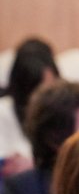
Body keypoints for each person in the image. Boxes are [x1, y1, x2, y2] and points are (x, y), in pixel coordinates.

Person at [0, 39, 60, 178]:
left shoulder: (64, 109)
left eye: (50, 87)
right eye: (38, 89)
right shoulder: (3, 110)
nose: (46, 96)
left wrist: (36, 165)